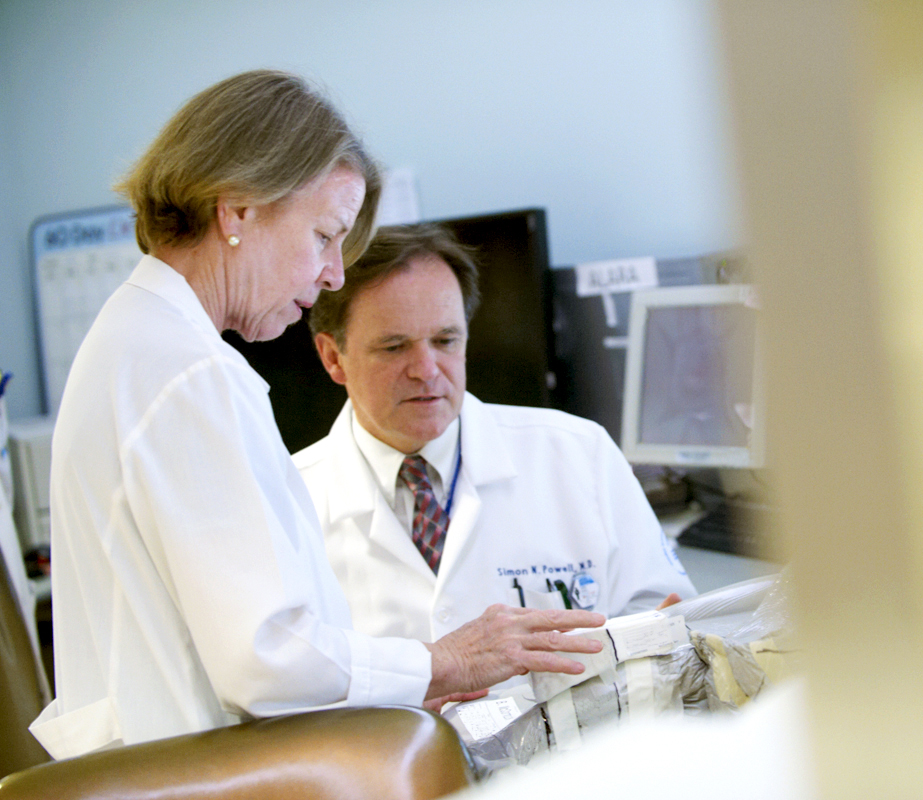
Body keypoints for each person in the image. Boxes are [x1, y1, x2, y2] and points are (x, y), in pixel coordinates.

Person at [32, 71, 604, 761]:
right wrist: (442, 662)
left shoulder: (135, 340)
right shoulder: (191, 373)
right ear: (237, 210)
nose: (335, 274)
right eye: (326, 235)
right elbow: (267, 660)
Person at [295, 225, 697, 655]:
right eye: (394, 347)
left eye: (445, 340)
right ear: (333, 357)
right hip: (394, 725)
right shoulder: (287, 498)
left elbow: (664, 614)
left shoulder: (579, 452)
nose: (427, 370)